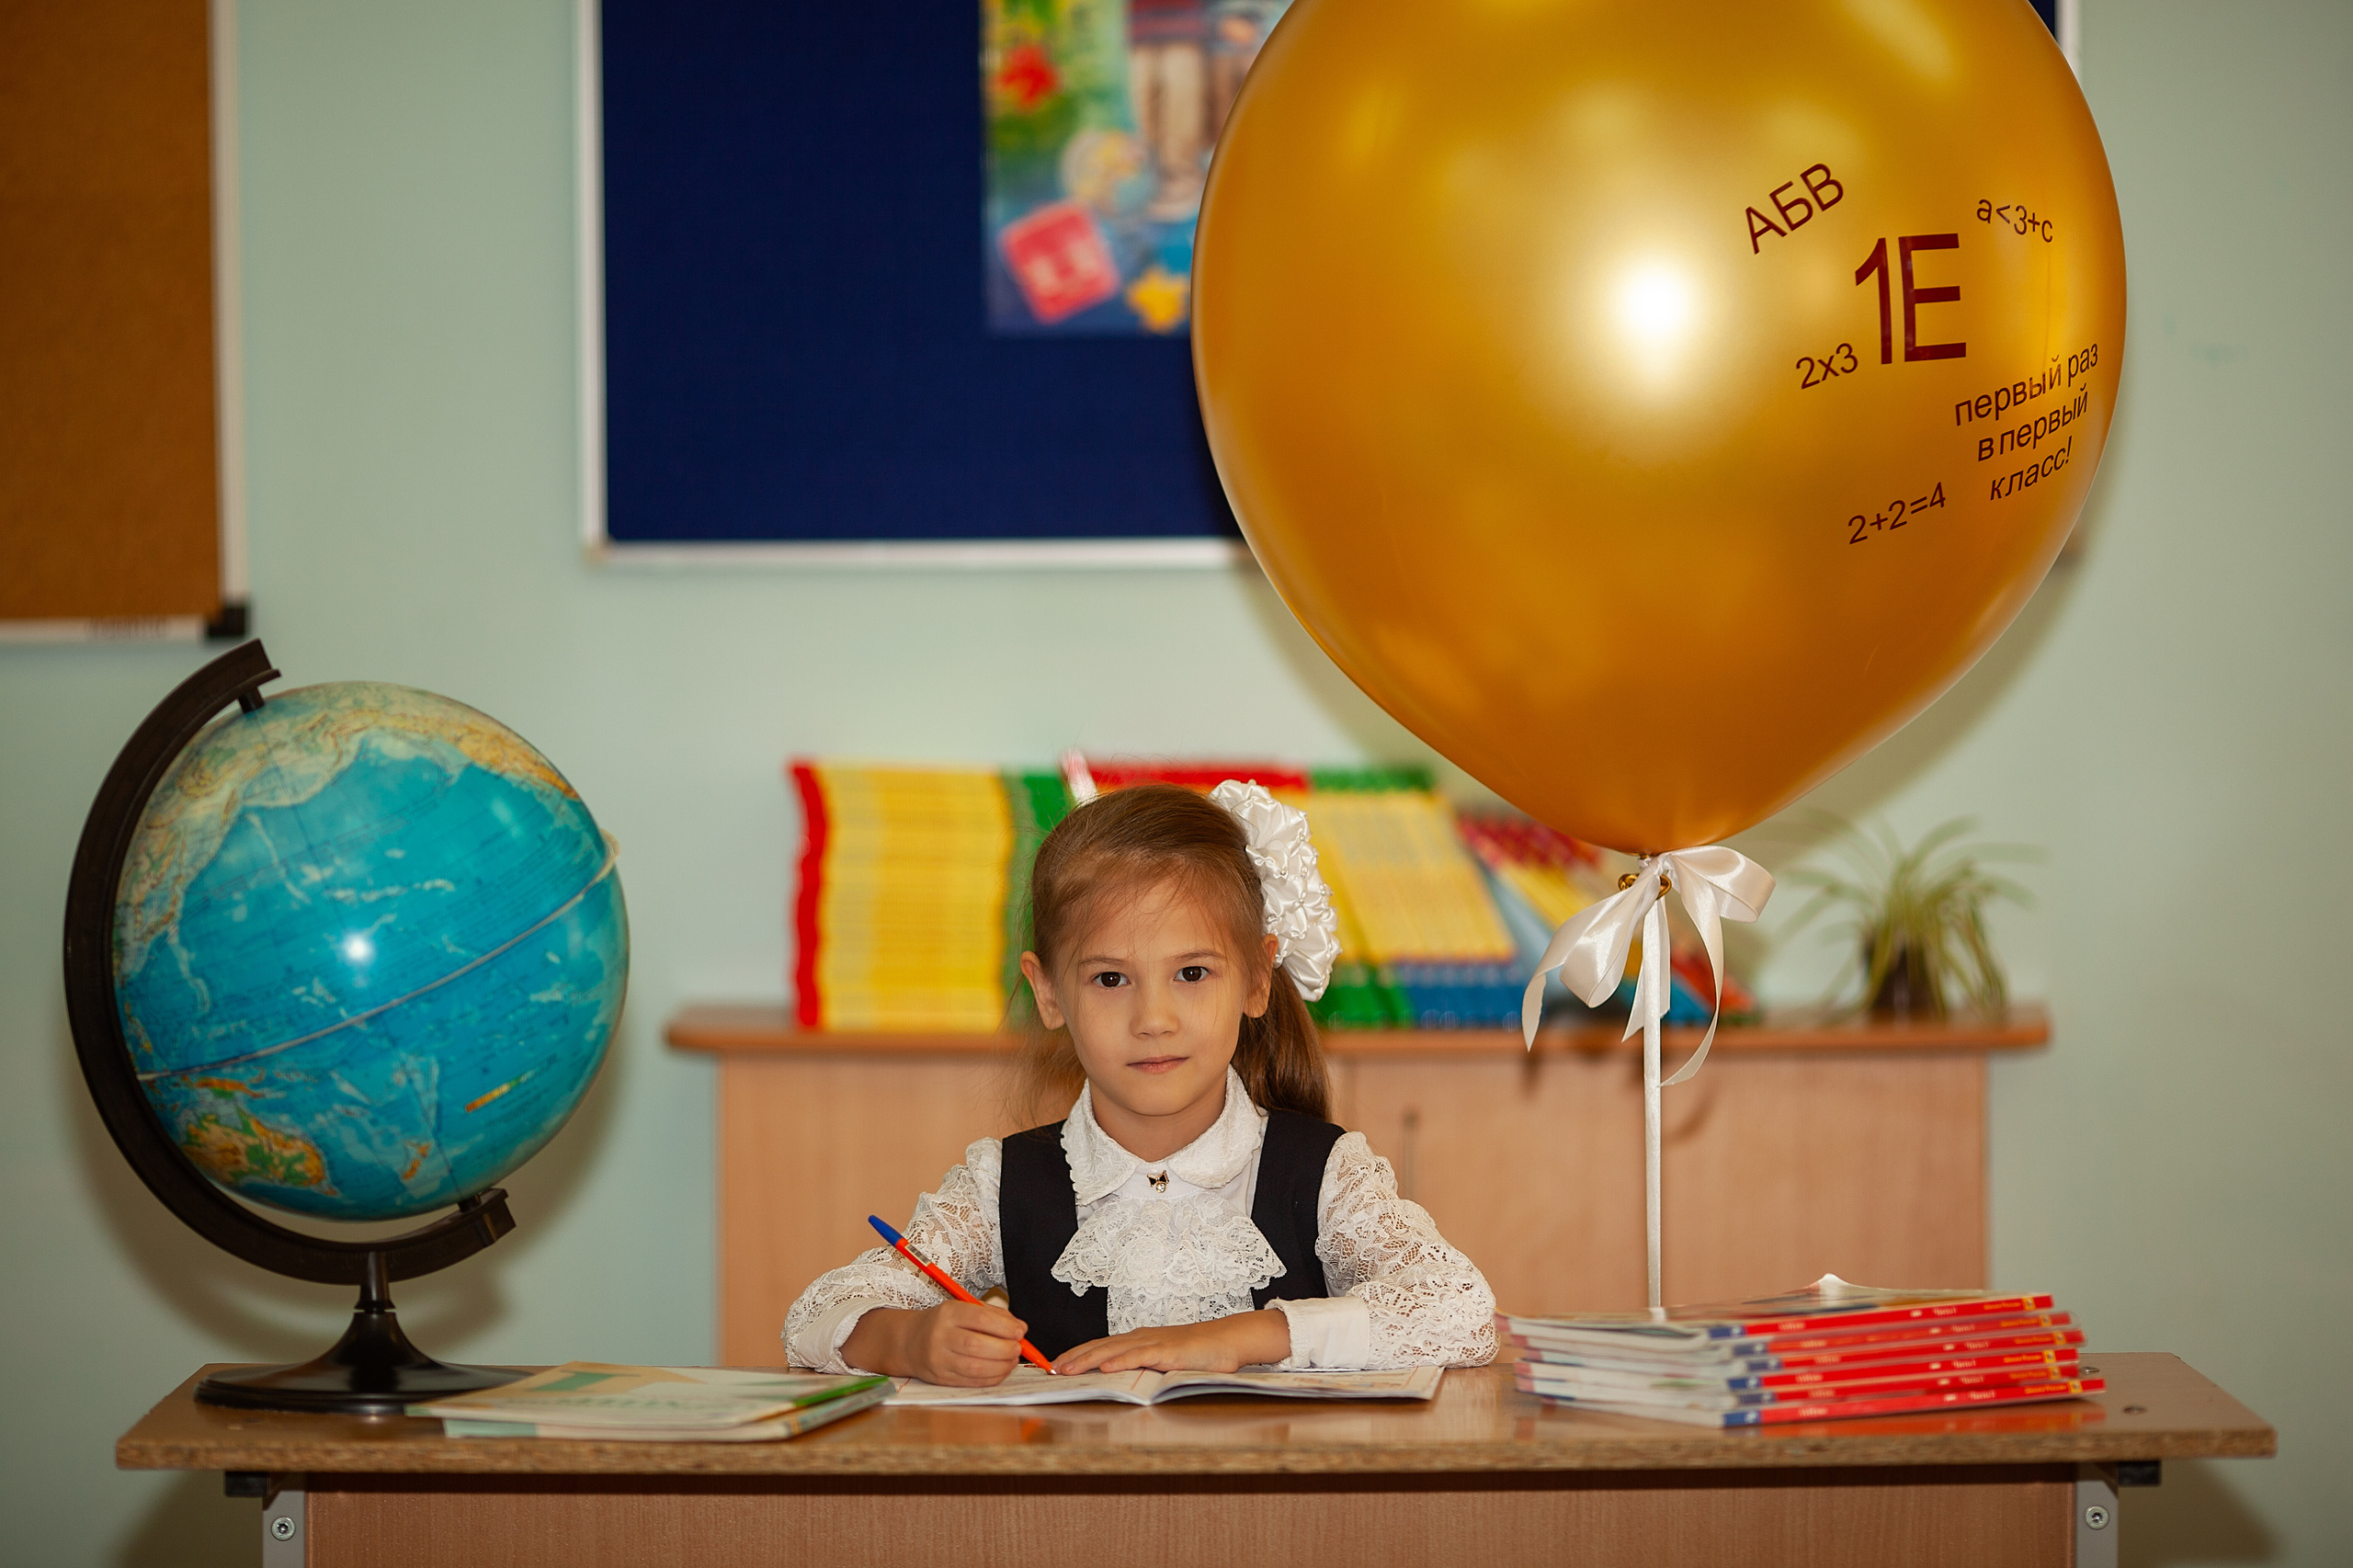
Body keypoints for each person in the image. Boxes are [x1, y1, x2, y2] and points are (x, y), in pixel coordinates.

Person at [783, 781, 1498, 1384]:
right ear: (1050, 993)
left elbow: (1458, 1310)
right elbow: (815, 1317)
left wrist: (1237, 1338)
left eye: (1192, 973)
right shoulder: (1002, 1184)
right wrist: (908, 1341)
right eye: (1110, 979)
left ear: (1255, 977)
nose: (1153, 1018)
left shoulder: (1328, 1174)